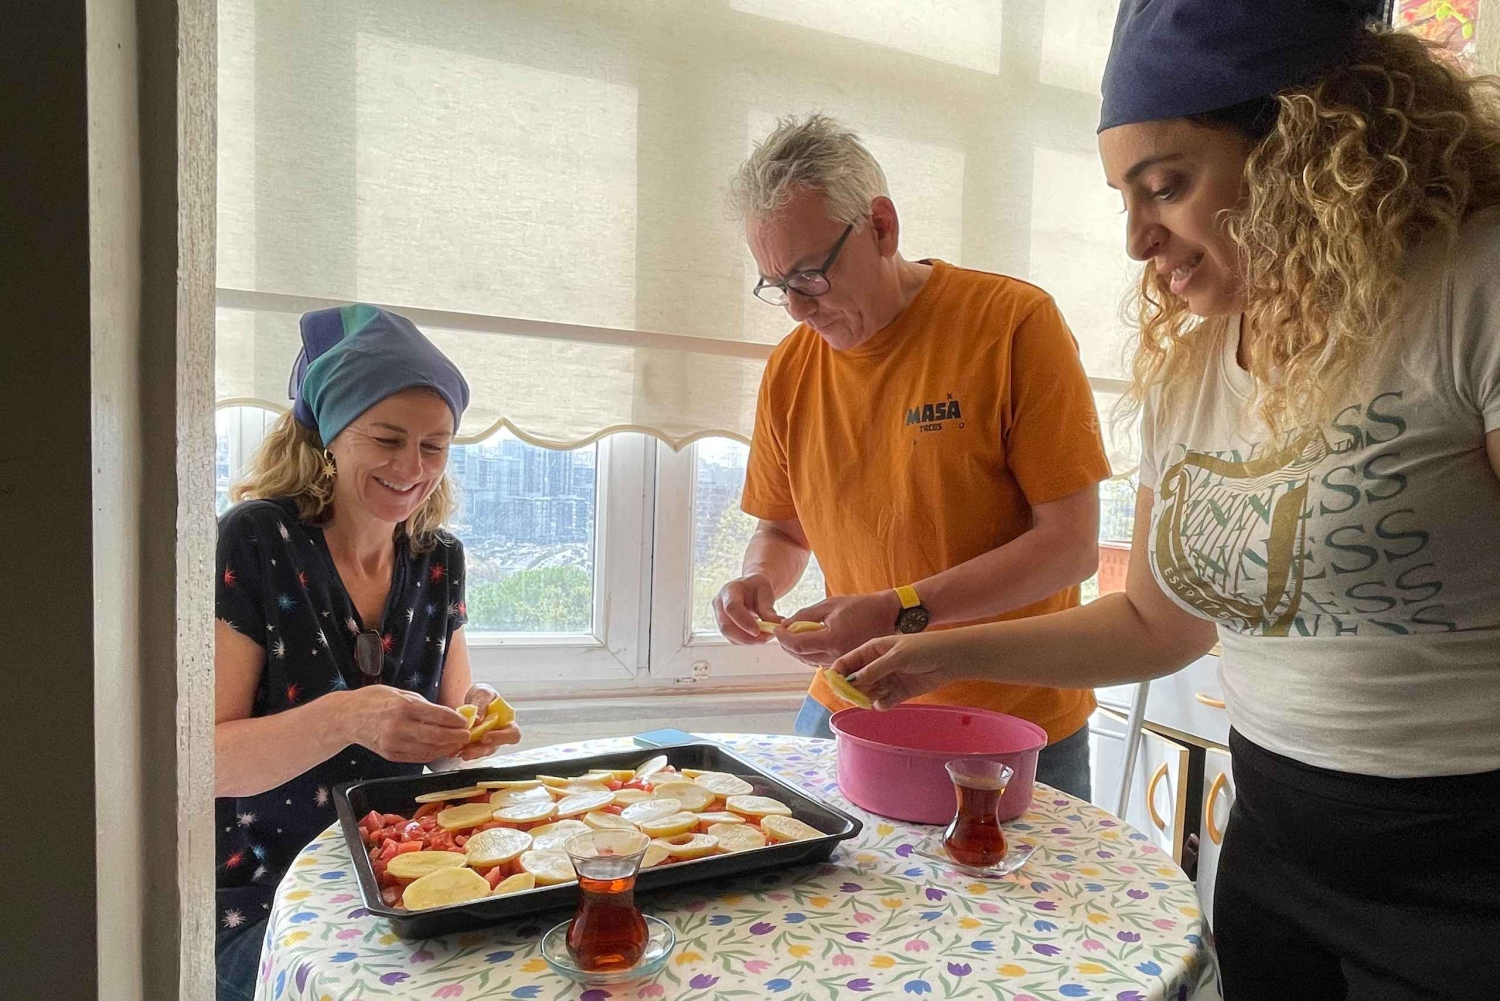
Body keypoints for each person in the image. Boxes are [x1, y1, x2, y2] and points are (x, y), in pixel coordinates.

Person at [834, 3, 1500, 996]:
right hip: (1274, 840)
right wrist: (936, 650)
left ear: (1303, 144)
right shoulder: (1195, 370)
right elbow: (1156, 622)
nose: (1141, 238)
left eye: (1168, 186)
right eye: (1125, 199)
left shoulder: (1472, 285)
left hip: (1466, 863)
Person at [715, 114, 1113, 799]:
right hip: (851, 707)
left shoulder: (1012, 324)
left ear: (881, 227)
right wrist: (758, 581)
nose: (796, 308)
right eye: (777, 284)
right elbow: (783, 529)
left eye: (810, 274)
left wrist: (897, 610)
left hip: (1009, 723)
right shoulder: (790, 370)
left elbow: (1071, 547)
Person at [213, 304, 521, 1000]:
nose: (412, 468)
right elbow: (207, 762)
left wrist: (471, 728)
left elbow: (445, 750)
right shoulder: (256, 540)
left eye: (435, 446)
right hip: (264, 897)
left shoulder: (439, 558)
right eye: (387, 438)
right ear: (329, 433)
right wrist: (349, 717)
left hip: (404, 874)